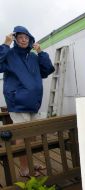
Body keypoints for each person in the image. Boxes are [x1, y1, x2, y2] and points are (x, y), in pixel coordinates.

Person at [0, 26, 55, 177]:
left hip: (34, 102)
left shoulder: (33, 57)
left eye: (27, 37)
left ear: (30, 39)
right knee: (22, 136)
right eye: (20, 37)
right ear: (15, 39)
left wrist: (40, 52)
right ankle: (24, 168)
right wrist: (5, 44)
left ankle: (31, 162)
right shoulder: (9, 54)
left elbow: (47, 70)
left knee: (33, 135)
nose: (24, 39)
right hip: (17, 102)